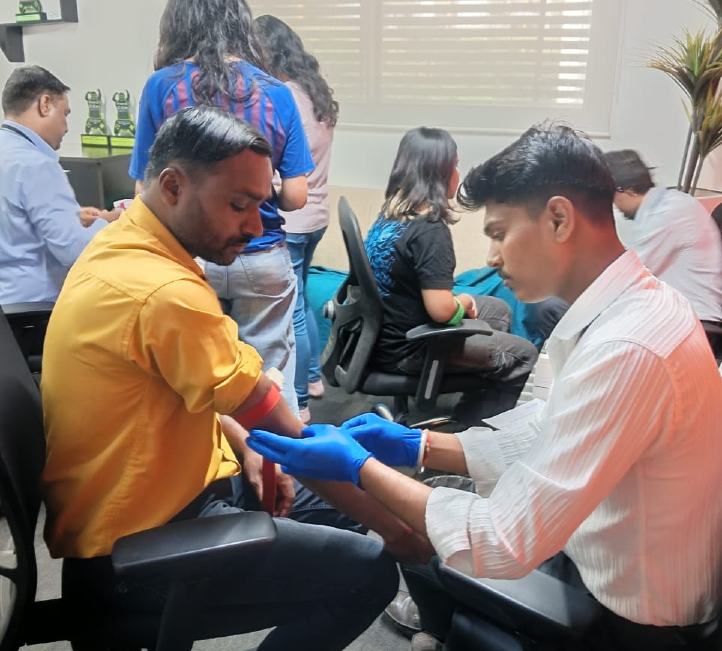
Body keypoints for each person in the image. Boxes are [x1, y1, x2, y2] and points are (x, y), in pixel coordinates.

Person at [248, 124, 722, 651]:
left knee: (420, 541)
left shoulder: (628, 347)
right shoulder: (632, 306)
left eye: (498, 233)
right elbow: (551, 426)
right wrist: (420, 444)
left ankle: (446, 627)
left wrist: (361, 469)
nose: (492, 257)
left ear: (559, 219)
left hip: (632, 612)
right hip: (610, 548)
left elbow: (502, 539)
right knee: (434, 508)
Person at [41, 107, 437, 651]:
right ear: (173, 186)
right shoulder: (165, 292)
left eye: (261, 204)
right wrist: (399, 531)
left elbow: (192, 389)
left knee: (336, 509)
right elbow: (288, 430)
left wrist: (244, 441)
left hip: (157, 495)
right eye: (238, 205)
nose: (255, 226)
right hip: (137, 551)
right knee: (370, 570)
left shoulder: (128, 246)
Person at [129, 0, 313, 415]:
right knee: (271, 375)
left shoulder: (162, 87)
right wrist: (254, 193)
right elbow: (297, 196)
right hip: (261, 254)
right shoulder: (275, 92)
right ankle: (281, 453)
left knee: (197, 375)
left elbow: (145, 189)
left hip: (187, 258)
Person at [364, 127, 538, 422]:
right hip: (411, 348)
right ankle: (473, 431)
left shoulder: (390, 215)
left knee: (498, 311)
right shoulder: (430, 230)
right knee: (524, 355)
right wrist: (464, 303)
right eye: (455, 166)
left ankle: (475, 397)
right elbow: (442, 311)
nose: (458, 174)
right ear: (440, 173)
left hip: (384, 337)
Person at [254, 14, 338, 423]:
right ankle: (314, 378)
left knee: (293, 313)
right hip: (317, 214)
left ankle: (300, 400)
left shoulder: (282, 97)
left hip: (294, 219)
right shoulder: (313, 93)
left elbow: (283, 176)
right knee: (300, 299)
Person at [0, 65, 119, 305]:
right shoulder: (36, 164)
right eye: (65, 114)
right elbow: (73, 250)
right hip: (35, 308)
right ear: (45, 104)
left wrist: (74, 219)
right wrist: (108, 222)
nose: (66, 127)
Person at [605, 149, 722, 325]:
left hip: (694, 321)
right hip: (679, 318)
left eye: (612, 197)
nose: (615, 206)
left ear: (625, 190)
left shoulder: (666, 212)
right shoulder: (665, 205)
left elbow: (628, 275)